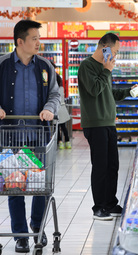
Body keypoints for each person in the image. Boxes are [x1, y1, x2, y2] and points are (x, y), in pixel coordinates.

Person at [0, 20, 60, 253]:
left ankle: (38, 226)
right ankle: (21, 235)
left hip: (38, 137)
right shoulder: (2, 65)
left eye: (38, 38)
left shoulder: (45, 66)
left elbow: (55, 93)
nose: (39, 42)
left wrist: (50, 108)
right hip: (10, 138)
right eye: (34, 38)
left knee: (40, 185)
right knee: (13, 186)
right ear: (20, 42)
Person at [78, 33, 138, 221]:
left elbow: (108, 93)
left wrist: (130, 91)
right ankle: (99, 207)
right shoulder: (87, 66)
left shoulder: (106, 67)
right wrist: (106, 70)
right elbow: (95, 89)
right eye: (114, 51)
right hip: (95, 123)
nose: (116, 55)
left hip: (109, 123)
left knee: (113, 165)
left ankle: (111, 204)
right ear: (103, 46)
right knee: (100, 166)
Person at [50, 61, 72, 149]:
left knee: (57, 126)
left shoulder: (51, 78)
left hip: (56, 108)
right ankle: (67, 141)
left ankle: (60, 142)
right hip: (62, 106)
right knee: (63, 126)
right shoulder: (59, 78)